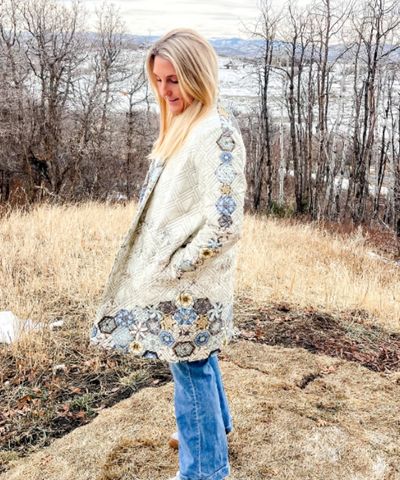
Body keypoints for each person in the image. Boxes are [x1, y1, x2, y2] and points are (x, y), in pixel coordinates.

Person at [89, 27, 247, 480]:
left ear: (198, 74)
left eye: (174, 79)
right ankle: (214, 428)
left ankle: (205, 470)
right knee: (197, 359)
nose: (164, 90)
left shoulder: (215, 132)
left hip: (191, 284)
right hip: (184, 281)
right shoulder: (189, 122)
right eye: (158, 80)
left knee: (190, 370)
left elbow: (225, 224)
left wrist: (177, 265)